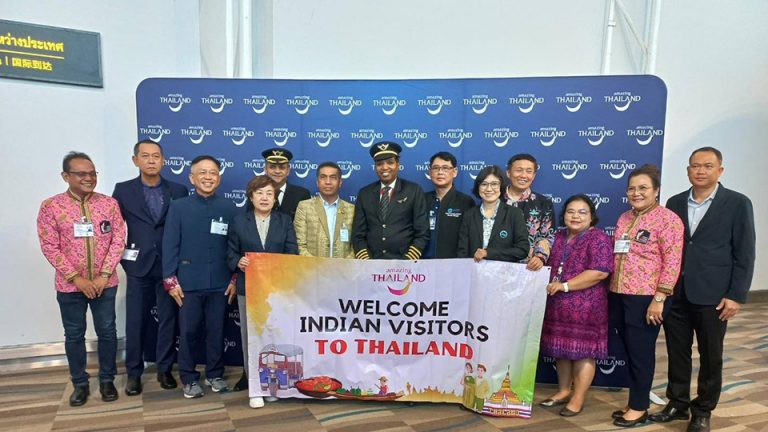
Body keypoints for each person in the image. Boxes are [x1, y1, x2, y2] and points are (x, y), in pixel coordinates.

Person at [652, 147, 755, 432]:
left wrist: (736, 295)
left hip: (714, 295)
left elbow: (745, 253)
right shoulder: (674, 202)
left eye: (708, 166)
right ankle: (677, 402)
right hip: (676, 292)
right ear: (688, 170)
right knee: (677, 351)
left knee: (711, 355)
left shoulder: (737, 203)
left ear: (720, 170)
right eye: (695, 166)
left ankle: (703, 410)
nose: (700, 171)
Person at [36, 151, 126, 407]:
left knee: (107, 332)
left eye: (92, 173)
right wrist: (77, 279)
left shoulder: (109, 204)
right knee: (74, 334)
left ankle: (107, 380)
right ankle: (80, 383)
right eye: (81, 174)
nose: (89, 178)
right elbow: (49, 246)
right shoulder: (51, 206)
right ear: (66, 176)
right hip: (69, 286)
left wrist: (104, 275)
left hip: (105, 283)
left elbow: (118, 240)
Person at [609, 164, 684, 427]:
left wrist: (660, 298)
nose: (636, 193)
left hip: (647, 298)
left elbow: (672, 262)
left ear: (656, 190)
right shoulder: (624, 218)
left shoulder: (668, 220)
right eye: (632, 188)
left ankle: (639, 408)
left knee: (641, 353)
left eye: (643, 188)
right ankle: (635, 401)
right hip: (619, 293)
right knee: (629, 351)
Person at [112, 139, 188, 396]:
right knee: (135, 321)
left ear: (163, 160)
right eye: (145, 156)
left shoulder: (178, 190)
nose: (151, 160)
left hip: (169, 266)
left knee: (168, 320)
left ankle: (165, 368)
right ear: (135, 160)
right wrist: (119, 259)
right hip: (138, 266)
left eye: (156, 156)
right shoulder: (123, 190)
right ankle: (134, 373)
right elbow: (114, 229)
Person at [162, 155, 237, 399]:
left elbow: (235, 247)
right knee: (188, 333)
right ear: (192, 178)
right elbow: (170, 244)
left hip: (221, 283)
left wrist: (234, 279)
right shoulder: (179, 207)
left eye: (213, 173)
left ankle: (215, 374)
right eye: (202, 172)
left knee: (216, 331)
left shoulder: (229, 208)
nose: (208, 177)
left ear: (219, 178)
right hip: (188, 283)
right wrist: (170, 280)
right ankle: (189, 377)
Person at [227, 175, 298, 408]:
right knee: (251, 339)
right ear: (251, 197)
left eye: (269, 193)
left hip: (277, 290)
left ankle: (271, 385)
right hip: (248, 288)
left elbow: (292, 253)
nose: (264, 198)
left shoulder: (284, 221)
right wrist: (238, 262)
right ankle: (255, 388)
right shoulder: (239, 221)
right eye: (259, 193)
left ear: (275, 198)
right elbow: (230, 253)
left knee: (274, 338)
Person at [539, 194, 614, 417]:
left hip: (586, 307)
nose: (576, 216)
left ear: (591, 216)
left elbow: (600, 272)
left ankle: (578, 397)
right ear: (563, 215)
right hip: (557, 306)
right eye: (571, 211)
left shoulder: (599, 238)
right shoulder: (558, 236)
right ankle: (563, 391)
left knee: (583, 353)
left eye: (582, 212)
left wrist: (565, 286)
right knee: (561, 350)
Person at [352, 141, 429, 260]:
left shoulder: (413, 190)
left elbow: (422, 233)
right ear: (375, 167)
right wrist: (367, 262)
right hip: (372, 263)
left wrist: (406, 261)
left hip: (404, 263)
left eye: (390, 162)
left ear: (398, 165)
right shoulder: (364, 193)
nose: (384, 167)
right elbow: (358, 235)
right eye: (379, 163)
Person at [457, 165, 528, 262]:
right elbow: (462, 252)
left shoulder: (514, 213)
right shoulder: (469, 215)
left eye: (494, 184)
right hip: (474, 270)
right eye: (484, 184)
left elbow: (522, 250)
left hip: (504, 270)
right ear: (478, 187)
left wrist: (488, 253)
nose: (489, 189)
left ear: (501, 186)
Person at [504, 154, 556, 271]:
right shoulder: (494, 200)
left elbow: (547, 236)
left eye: (529, 171)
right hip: (496, 265)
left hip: (529, 268)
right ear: (508, 173)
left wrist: (540, 257)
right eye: (519, 170)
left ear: (534, 175)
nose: (523, 175)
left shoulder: (543, 203)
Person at [294, 161, 355, 258]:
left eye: (333, 177)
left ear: (340, 182)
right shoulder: (304, 207)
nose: (328, 182)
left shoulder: (352, 210)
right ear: (317, 182)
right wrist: (319, 265)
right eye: (323, 177)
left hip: (344, 267)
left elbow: (355, 246)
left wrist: (344, 265)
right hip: (312, 266)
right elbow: (300, 245)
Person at [423, 151, 476, 258]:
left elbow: (470, 239)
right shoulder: (421, 199)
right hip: (422, 264)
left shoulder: (466, 202)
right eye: (436, 168)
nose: (440, 172)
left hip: (454, 264)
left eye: (445, 168)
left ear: (455, 172)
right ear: (430, 172)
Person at [260, 148, 311, 220]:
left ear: (288, 171)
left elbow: (307, 223)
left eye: (282, 167)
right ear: (265, 169)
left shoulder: (302, 194)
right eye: (272, 167)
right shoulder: (256, 193)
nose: (277, 171)